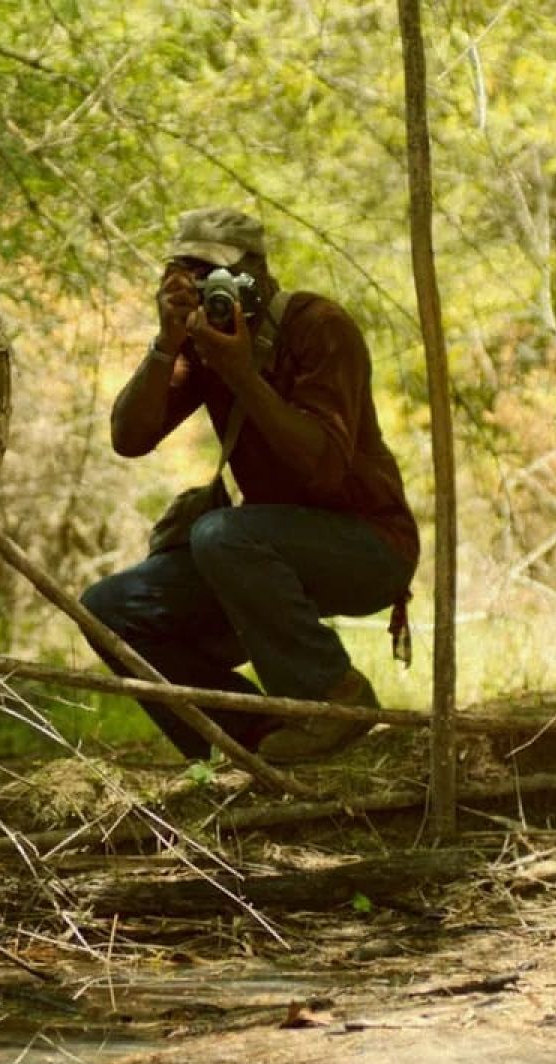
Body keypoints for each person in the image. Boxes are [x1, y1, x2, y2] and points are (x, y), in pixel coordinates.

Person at [80, 207, 419, 764]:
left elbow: (323, 466)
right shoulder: (202, 341)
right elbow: (129, 438)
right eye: (190, 273)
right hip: (261, 552)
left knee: (220, 534)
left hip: (368, 545)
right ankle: (250, 738)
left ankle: (333, 698)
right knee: (108, 608)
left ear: (259, 272)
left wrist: (240, 372)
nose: (208, 287)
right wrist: (167, 343)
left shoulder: (318, 326)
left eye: (217, 272)